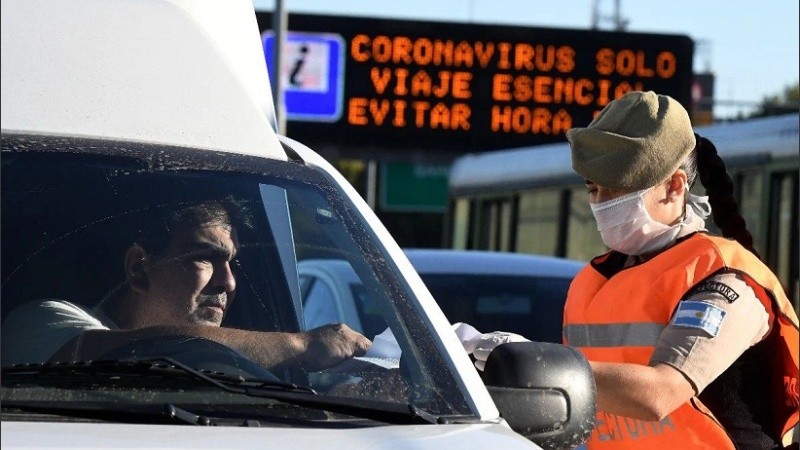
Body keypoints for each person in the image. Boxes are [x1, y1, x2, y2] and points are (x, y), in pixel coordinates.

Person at [470, 91, 799, 449]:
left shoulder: (723, 280)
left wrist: (533, 365)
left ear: (674, 186)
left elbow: (658, 394)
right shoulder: (592, 283)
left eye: (617, 192)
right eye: (594, 190)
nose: (599, 205)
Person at [1, 196, 371, 373]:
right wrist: (300, 345)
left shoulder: (239, 373)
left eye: (232, 262)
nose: (228, 282)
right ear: (138, 269)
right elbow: (136, 350)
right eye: (205, 257)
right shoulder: (44, 323)